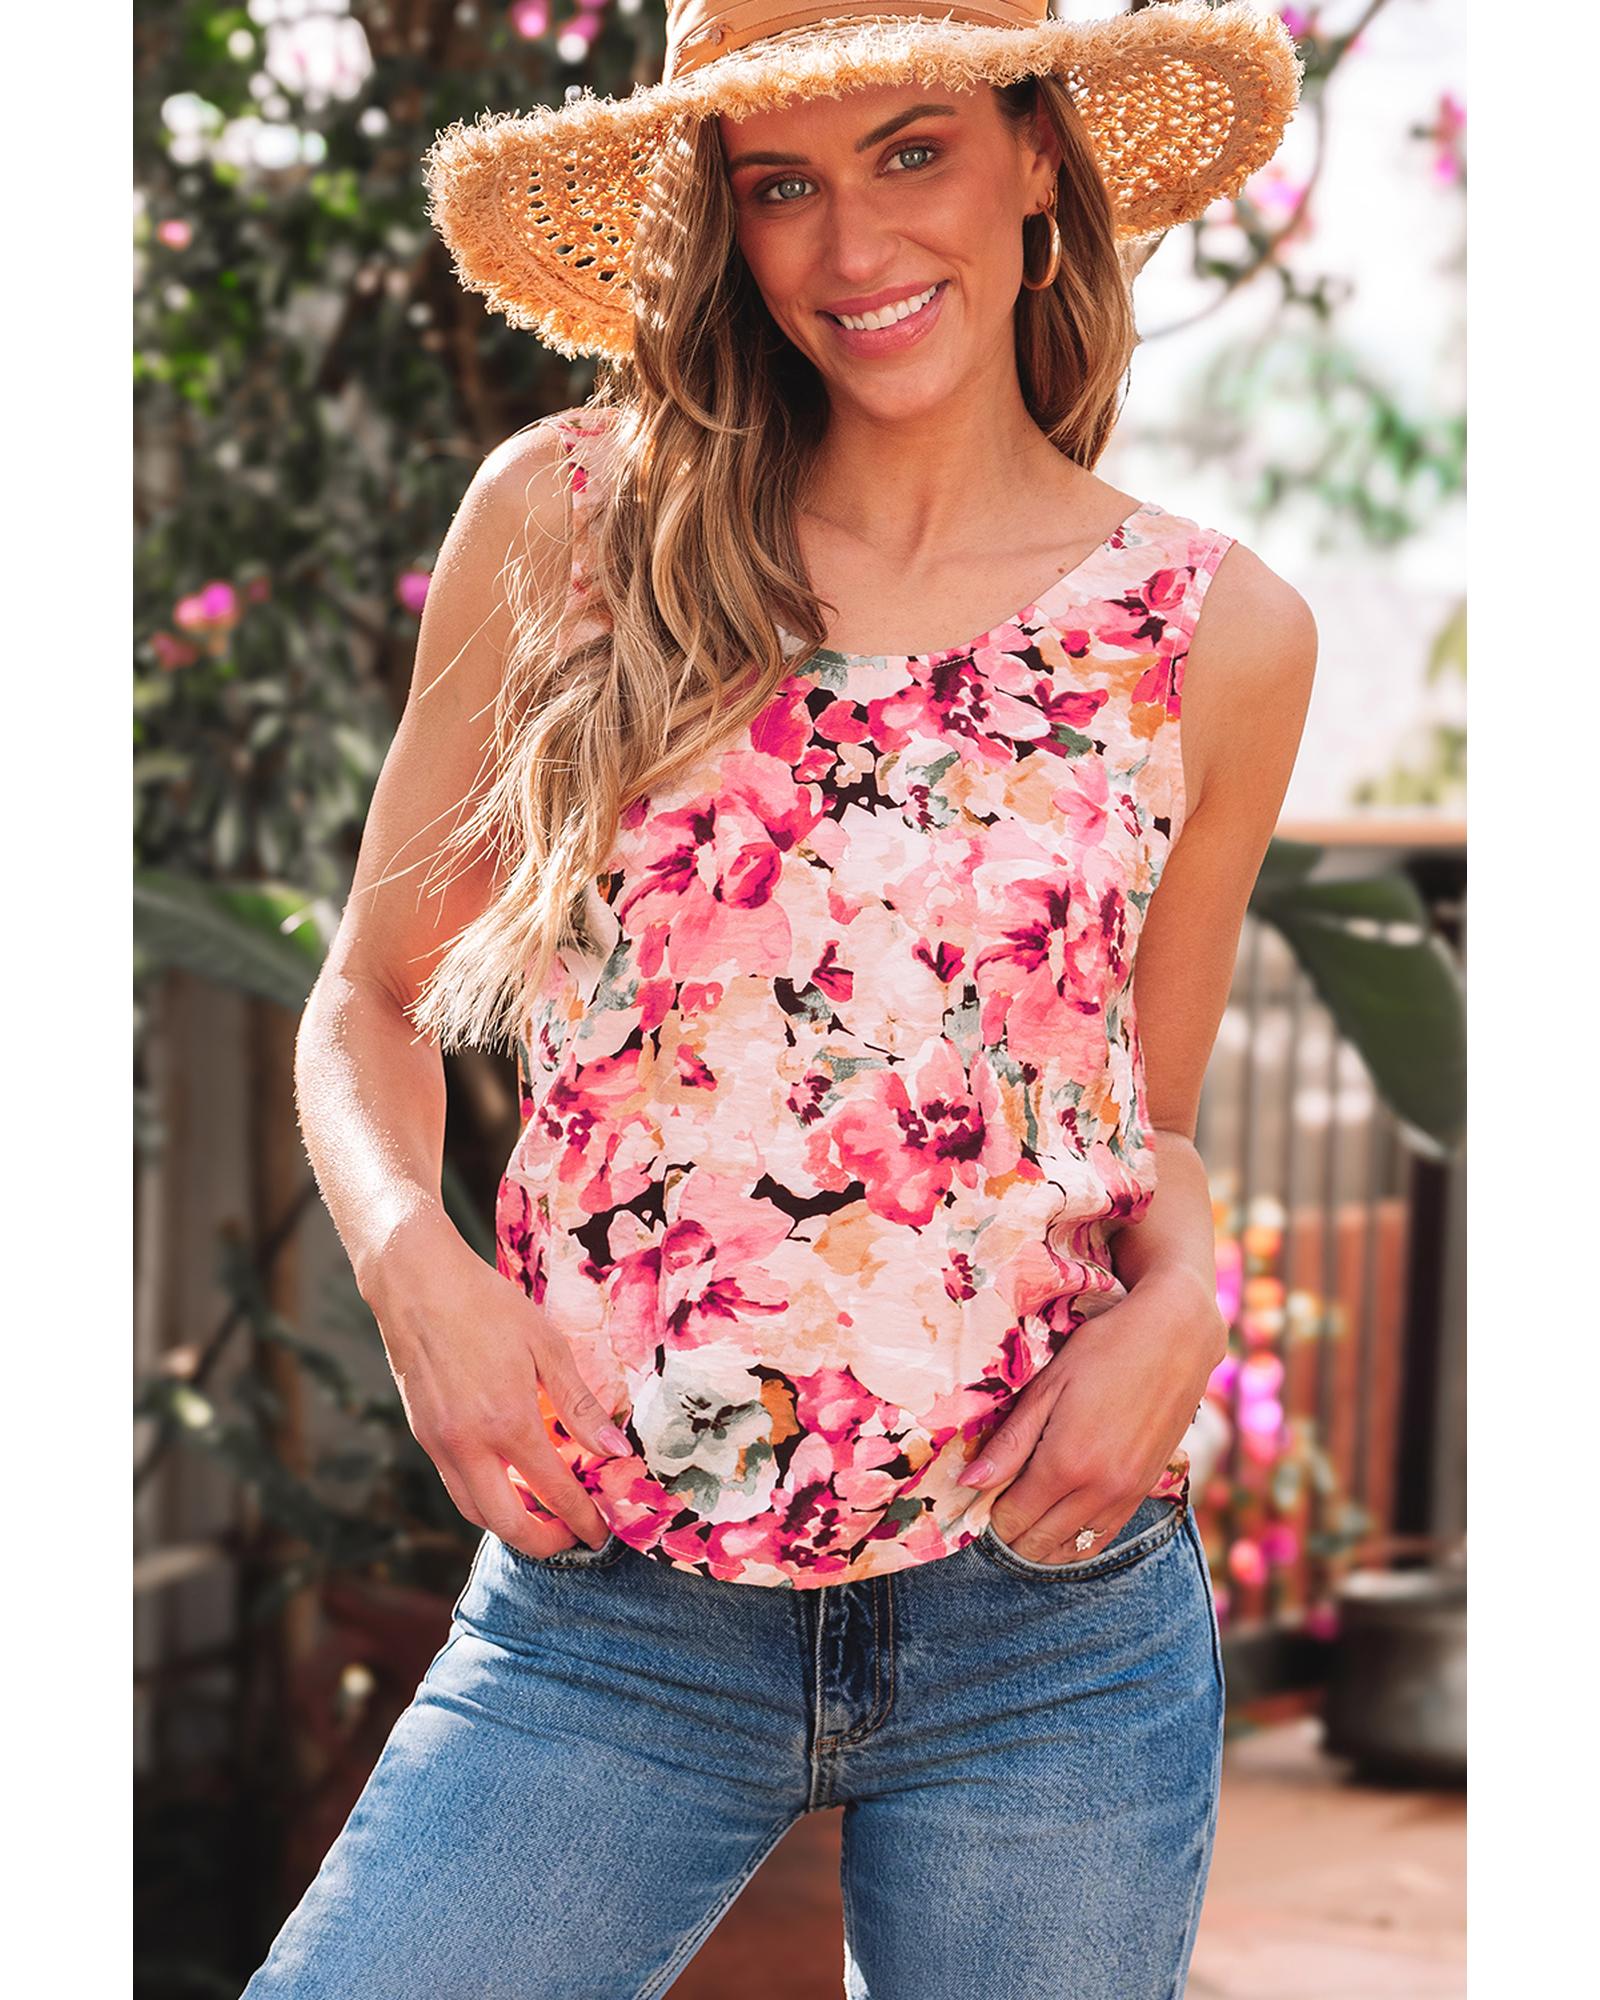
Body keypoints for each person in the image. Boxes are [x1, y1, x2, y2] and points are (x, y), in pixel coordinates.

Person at [242, 3, 1314, 1994]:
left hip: (1047, 1626)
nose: (850, 246)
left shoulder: (1210, 636)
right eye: (781, 185)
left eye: (912, 151)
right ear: (721, 220)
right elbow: (369, 996)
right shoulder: (574, 523)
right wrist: (416, 1276)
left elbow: (1137, 1123)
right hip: (615, 1613)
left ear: (1035, 158)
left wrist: (1187, 1300)